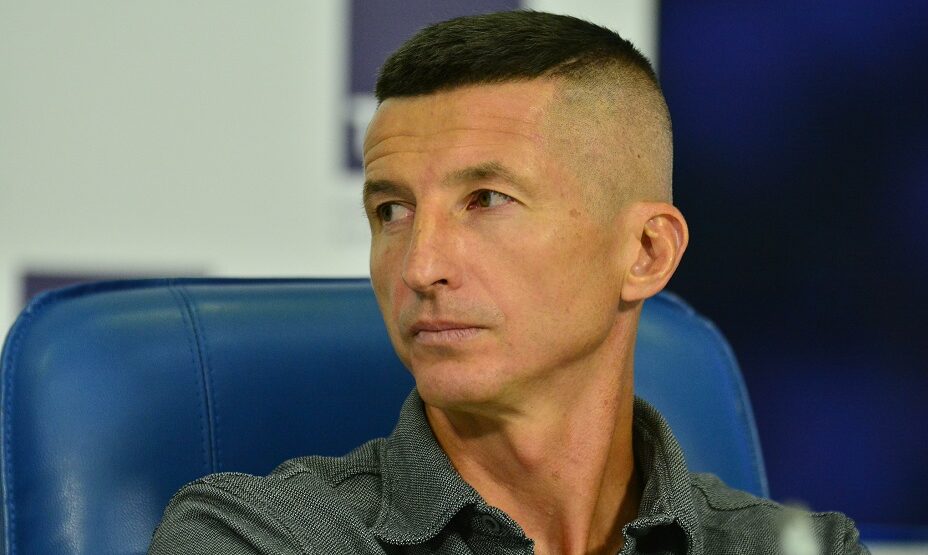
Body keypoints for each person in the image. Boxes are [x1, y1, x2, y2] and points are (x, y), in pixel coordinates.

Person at [148, 11, 867, 555]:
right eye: (392, 210)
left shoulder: (799, 547)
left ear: (646, 252)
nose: (420, 267)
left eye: (486, 200)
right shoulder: (258, 536)